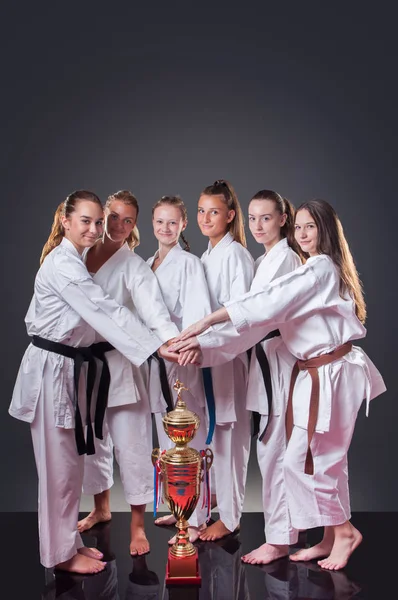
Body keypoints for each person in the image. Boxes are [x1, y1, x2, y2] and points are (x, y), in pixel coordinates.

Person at [170, 199, 386, 570]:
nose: (302, 234)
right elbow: (264, 307)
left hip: (328, 372)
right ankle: (330, 535)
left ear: (326, 231)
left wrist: (209, 323)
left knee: (306, 460)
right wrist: (205, 341)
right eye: (299, 228)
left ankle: (344, 531)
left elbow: (268, 303)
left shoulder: (318, 268)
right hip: (318, 370)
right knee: (320, 459)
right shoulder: (309, 266)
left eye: (310, 227)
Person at [9, 190, 176, 574]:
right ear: (65, 221)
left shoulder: (79, 259)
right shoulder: (64, 264)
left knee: (68, 467)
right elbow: (104, 309)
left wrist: (161, 341)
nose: (97, 228)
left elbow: (118, 309)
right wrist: (155, 347)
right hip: (53, 368)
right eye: (87, 220)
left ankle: (68, 544)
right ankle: (60, 555)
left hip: (70, 370)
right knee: (58, 469)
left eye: (98, 221)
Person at [76, 190, 180, 556]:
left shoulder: (133, 266)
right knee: (92, 443)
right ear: (103, 216)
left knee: (132, 446)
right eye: (114, 217)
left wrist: (169, 342)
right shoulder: (79, 254)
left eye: (128, 220)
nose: (119, 225)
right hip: (85, 365)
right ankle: (101, 507)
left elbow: (154, 312)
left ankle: (137, 524)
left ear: (135, 226)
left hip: (121, 364)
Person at [240, 190, 304, 565]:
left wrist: (207, 339)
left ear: (283, 218)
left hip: (278, 361)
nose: (258, 225)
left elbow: (256, 314)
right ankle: (284, 533)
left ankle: (279, 539)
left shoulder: (285, 260)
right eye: (252, 218)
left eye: (266, 217)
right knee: (272, 450)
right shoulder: (266, 259)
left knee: (274, 451)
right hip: (264, 357)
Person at [147, 195, 212, 543]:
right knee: (164, 430)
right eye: (160, 221)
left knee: (188, 432)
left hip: (180, 355)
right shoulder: (148, 262)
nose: (165, 228)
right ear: (152, 224)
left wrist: (186, 346)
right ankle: (178, 508)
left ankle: (198, 518)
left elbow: (198, 310)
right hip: (156, 358)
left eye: (172, 222)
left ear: (183, 225)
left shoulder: (188, 263)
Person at [195, 179, 254, 542]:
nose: (205, 217)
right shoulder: (205, 256)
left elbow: (242, 316)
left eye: (213, 211)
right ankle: (207, 505)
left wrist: (207, 345)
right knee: (209, 435)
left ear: (230, 216)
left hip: (227, 356)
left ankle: (230, 518)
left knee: (230, 437)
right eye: (201, 211)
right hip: (206, 356)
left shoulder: (236, 256)